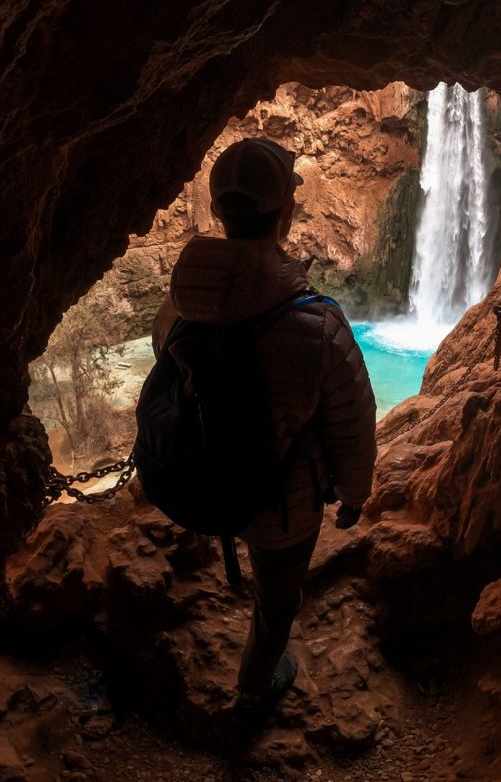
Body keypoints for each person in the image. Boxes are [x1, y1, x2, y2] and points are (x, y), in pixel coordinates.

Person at [152, 137, 376, 712]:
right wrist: (354, 494)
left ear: (219, 213)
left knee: (259, 558)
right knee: (278, 601)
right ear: (287, 211)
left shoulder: (176, 307)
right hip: (283, 506)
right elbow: (351, 423)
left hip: (203, 478)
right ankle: (253, 689)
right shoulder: (315, 323)